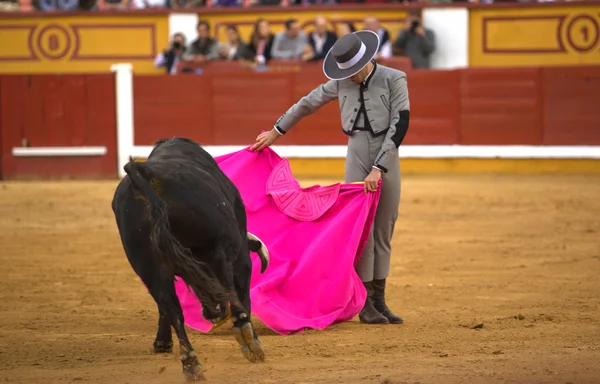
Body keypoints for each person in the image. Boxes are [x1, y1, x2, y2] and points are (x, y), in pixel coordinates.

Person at [251, 31, 410, 325]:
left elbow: (400, 124)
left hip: (386, 156)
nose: (349, 77)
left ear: (366, 60)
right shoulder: (340, 83)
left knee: (384, 227)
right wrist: (276, 130)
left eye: (353, 70)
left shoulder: (394, 78)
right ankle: (365, 304)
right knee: (362, 228)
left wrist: (379, 168)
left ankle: (380, 301)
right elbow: (306, 104)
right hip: (356, 153)